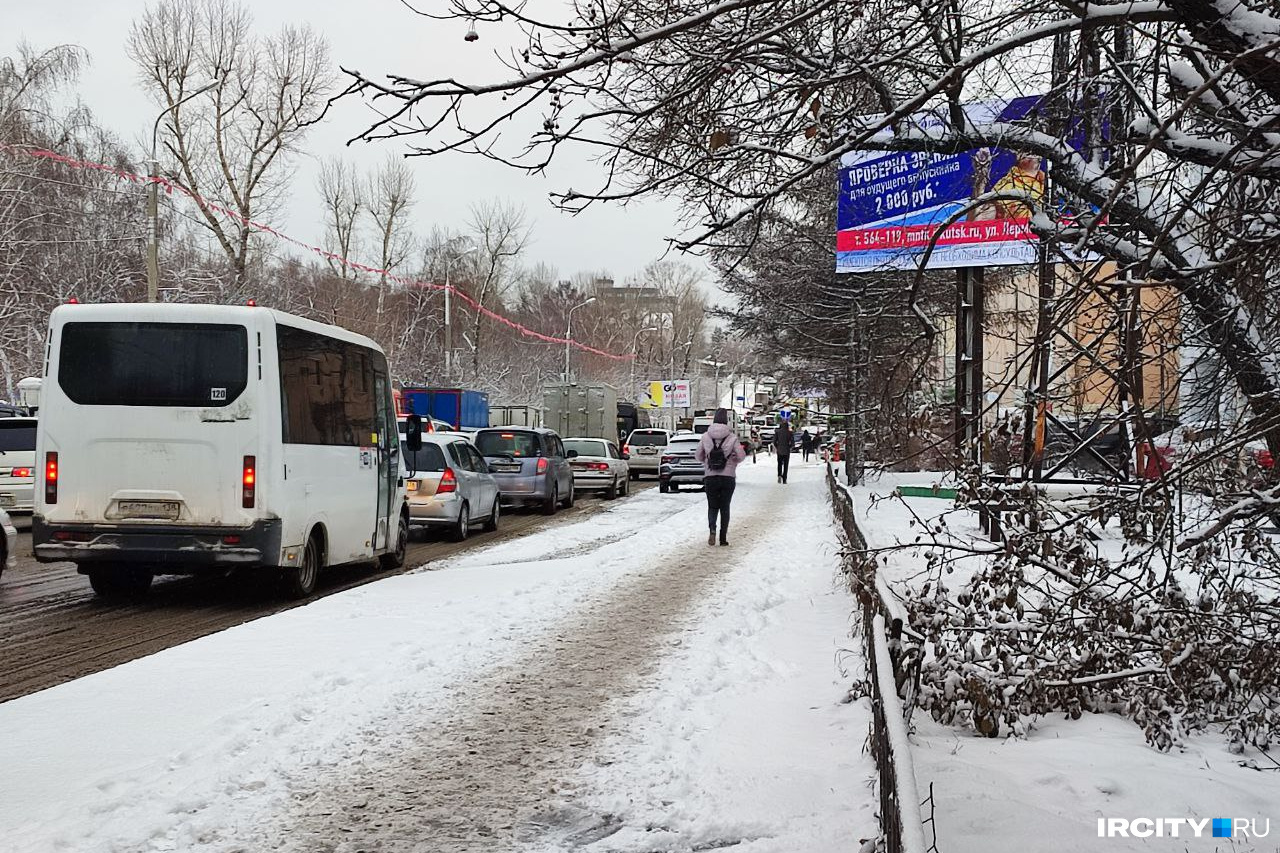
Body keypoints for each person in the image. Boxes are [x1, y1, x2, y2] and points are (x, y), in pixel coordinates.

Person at [695, 408, 748, 546]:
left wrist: (708, 461)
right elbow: (741, 456)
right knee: (725, 507)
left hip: (710, 477)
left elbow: (698, 456)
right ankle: (723, 538)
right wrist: (732, 461)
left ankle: (712, 530)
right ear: (726, 421)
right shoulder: (732, 437)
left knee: (712, 507)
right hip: (728, 477)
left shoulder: (706, 436)